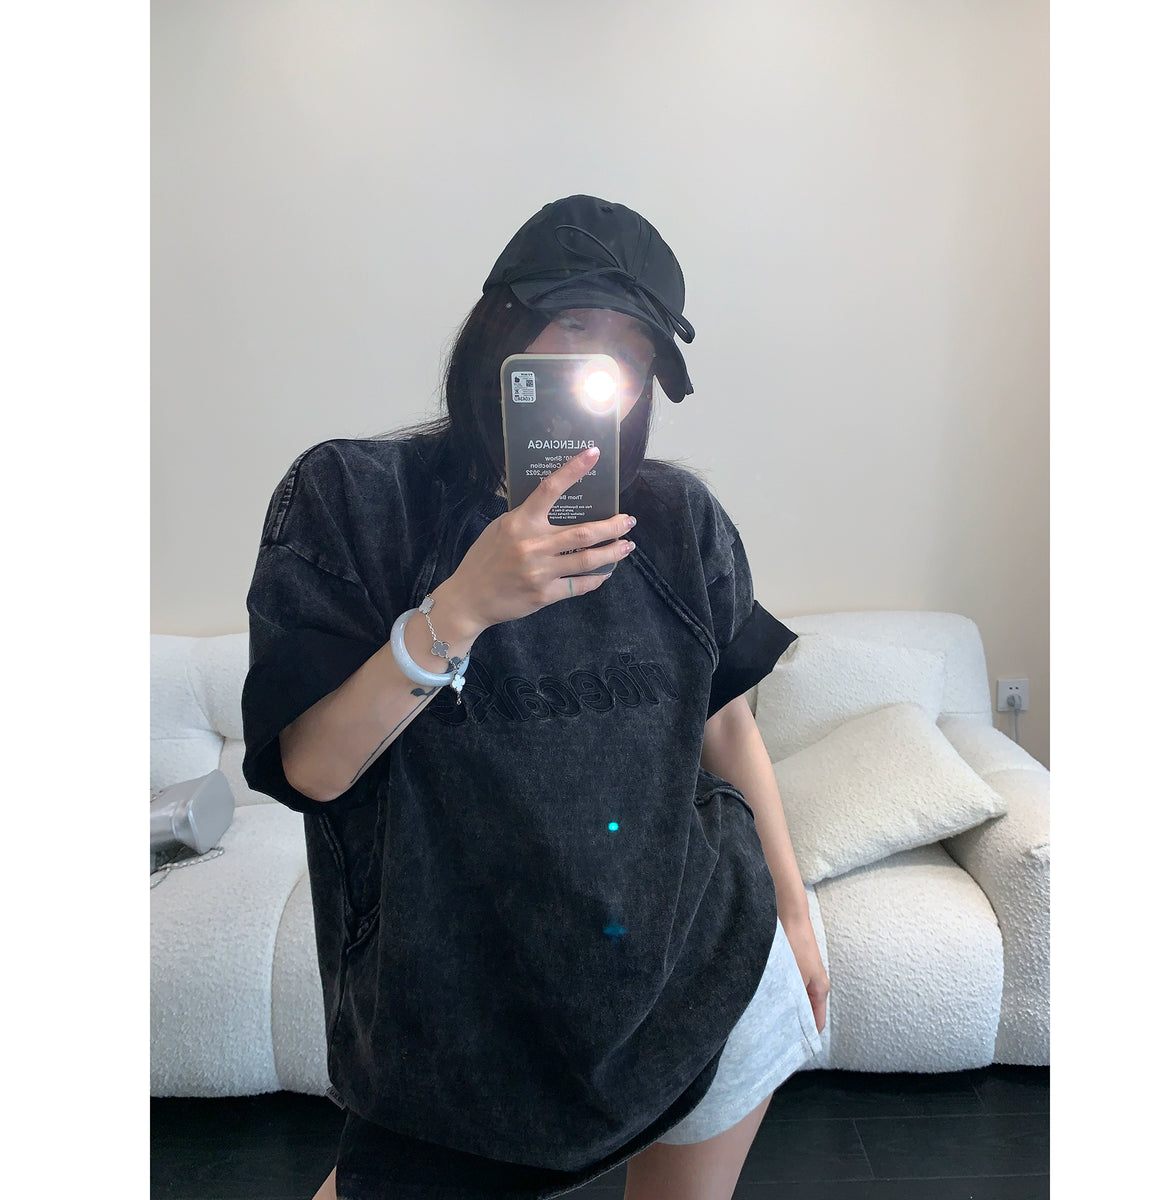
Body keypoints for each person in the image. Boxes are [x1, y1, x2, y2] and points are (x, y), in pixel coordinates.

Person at [241, 195, 831, 1200]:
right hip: (451, 1037)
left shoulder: (678, 522)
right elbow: (314, 766)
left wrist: (793, 915)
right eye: (576, 326)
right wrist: (461, 608)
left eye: (632, 351)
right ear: (500, 334)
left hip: (707, 968)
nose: (604, 365)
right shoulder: (354, 501)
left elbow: (726, 723)